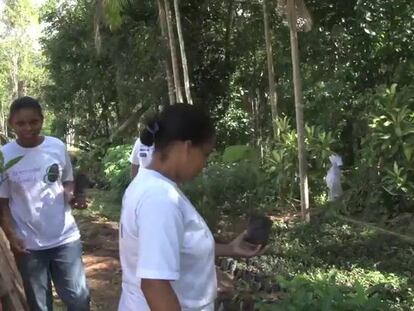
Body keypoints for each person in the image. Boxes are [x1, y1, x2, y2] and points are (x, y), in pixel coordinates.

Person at [118, 103, 264, 311]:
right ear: (187, 148)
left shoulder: (146, 185)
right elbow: (155, 285)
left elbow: (175, 248)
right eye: (204, 154)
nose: (203, 165)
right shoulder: (160, 199)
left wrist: (230, 249)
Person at [0, 97, 90, 311]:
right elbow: (2, 203)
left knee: (79, 299)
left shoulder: (56, 146)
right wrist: (13, 238)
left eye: (34, 121)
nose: (28, 128)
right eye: (21, 123)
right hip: (28, 246)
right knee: (40, 306)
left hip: (65, 238)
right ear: (12, 123)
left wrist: (71, 195)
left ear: (42, 120)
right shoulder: (5, 156)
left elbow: (67, 179)